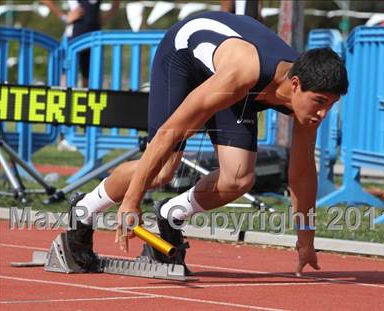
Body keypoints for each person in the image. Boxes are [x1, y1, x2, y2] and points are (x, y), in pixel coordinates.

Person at [65, 11, 348, 276]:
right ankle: (83, 210)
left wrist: (306, 240)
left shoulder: (306, 103)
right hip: (183, 57)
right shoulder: (243, 73)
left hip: (236, 82)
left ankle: (168, 215)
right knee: (164, 170)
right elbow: (169, 133)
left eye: (330, 105)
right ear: (296, 84)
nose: (323, 114)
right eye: (320, 103)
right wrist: (131, 201)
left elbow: (301, 175)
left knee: (238, 179)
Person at [41, 0, 120, 87]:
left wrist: (104, 18)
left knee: (90, 76)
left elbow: (115, 4)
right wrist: (64, 17)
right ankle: (64, 98)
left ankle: (86, 99)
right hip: (74, 37)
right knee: (66, 72)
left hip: (94, 38)